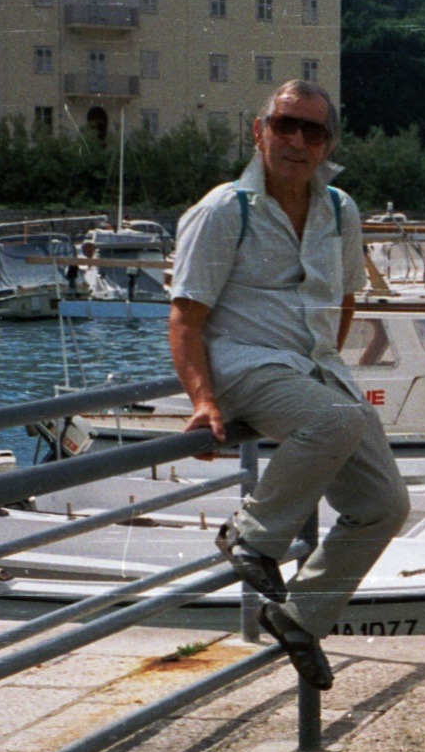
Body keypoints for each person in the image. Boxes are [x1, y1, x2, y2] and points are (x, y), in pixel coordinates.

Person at [169, 80, 409, 692]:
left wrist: (324, 356)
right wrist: (203, 400)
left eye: (313, 130)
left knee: (384, 505)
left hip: (313, 369)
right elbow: (185, 318)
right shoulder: (225, 210)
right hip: (244, 365)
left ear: (329, 143)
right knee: (334, 419)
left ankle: (300, 617)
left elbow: (344, 300)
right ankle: (249, 536)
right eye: (285, 125)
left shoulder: (339, 210)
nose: (297, 139)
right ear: (259, 132)